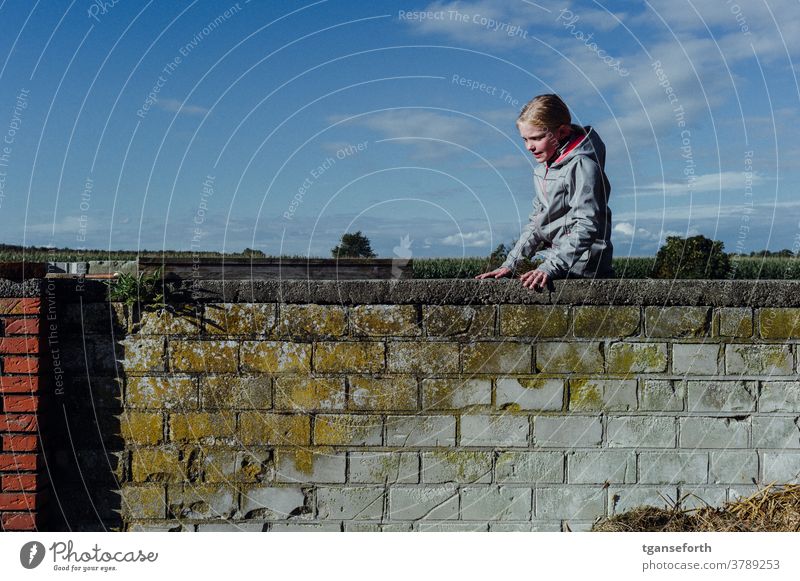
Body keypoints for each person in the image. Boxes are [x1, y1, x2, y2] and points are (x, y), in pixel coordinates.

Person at [475, 94, 613, 290]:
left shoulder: (583, 166)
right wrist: (510, 264)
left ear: (562, 132)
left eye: (537, 138)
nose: (529, 146)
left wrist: (549, 267)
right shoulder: (542, 170)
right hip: (556, 256)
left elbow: (587, 225)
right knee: (502, 280)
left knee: (526, 284)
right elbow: (536, 223)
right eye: (525, 139)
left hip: (583, 261)